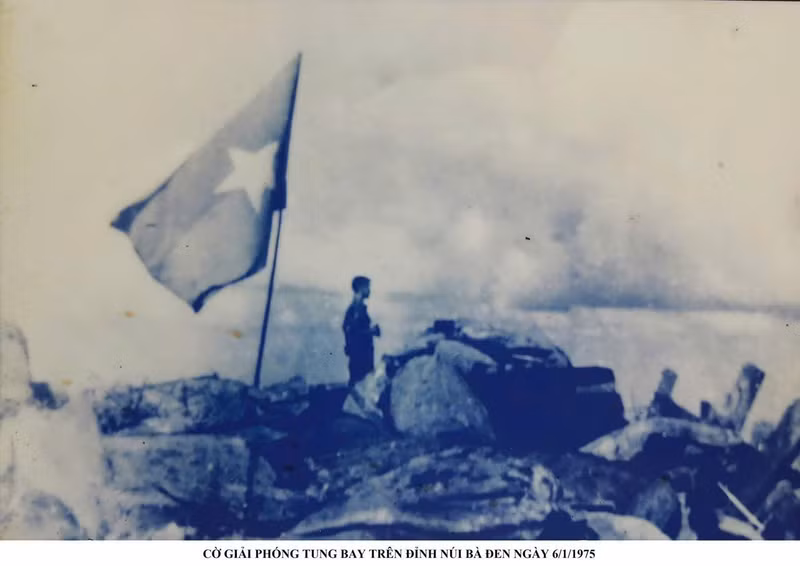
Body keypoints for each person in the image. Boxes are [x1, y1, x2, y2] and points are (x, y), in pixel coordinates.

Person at [342, 276, 380, 388]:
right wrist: (371, 331)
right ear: (360, 288)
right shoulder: (356, 308)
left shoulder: (357, 307)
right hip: (360, 356)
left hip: (361, 354)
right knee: (359, 385)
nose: (370, 290)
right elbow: (352, 331)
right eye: (367, 287)